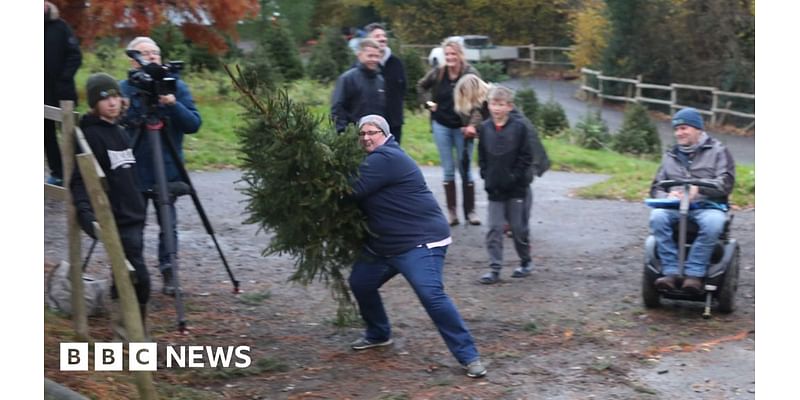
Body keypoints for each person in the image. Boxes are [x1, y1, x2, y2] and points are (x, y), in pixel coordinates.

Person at [346, 114, 487, 379]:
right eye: (361, 134)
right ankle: (378, 333)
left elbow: (352, 189)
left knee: (431, 295)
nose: (365, 137)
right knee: (361, 282)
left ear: (385, 134)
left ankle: (469, 356)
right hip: (385, 244)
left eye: (371, 132)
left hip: (420, 242)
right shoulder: (371, 159)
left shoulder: (387, 157)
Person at [70, 73, 151, 340]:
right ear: (95, 103)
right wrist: (86, 212)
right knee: (137, 277)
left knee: (127, 277)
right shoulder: (90, 136)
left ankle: (130, 334)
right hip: (116, 220)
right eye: (105, 99)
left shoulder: (121, 132)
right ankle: (130, 334)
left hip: (134, 216)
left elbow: (130, 175)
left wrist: (141, 198)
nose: (112, 103)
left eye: (116, 96)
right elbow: (80, 180)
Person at [120, 36, 202, 296]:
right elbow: (118, 126)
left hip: (166, 168)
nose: (152, 57)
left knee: (168, 224)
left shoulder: (176, 87)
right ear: (133, 60)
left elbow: (193, 124)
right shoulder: (124, 88)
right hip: (134, 168)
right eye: (144, 53)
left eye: (155, 52)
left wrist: (172, 104)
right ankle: (130, 273)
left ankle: (170, 272)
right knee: (133, 223)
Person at [650, 107, 736, 294]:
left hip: (708, 206)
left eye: (684, 128)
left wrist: (700, 189)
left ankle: (694, 274)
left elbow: (726, 182)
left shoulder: (719, 150)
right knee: (657, 217)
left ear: (698, 129)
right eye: (677, 129)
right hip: (675, 206)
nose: (679, 133)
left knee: (714, 223)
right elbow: (656, 187)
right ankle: (671, 272)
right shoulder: (670, 155)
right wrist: (668, 196)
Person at [416, 40, 480, 226]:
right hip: (441, 125)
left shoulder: (470, 74)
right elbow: (421, 86)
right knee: (448, 169)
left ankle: (471, 211)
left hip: (463, 127)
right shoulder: (438, 72)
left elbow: (479, 103)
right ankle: (452, 212)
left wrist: (473, 125)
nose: (451, 58)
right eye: (448, 54)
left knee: (465, 168)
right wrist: (428, 104)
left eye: (454, 54)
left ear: (461, 55)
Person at [476, 86, 535, 284]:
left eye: (501, 105)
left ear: (509, 107)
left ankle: (525, 261)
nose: (497, 109)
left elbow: (527, 157)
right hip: (494, 189)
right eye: (493, 104)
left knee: (518, 229)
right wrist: (486, 175)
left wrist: (514, 177)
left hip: (517, 188)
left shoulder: (520, 128)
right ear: (488, 105)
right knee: (494, 228)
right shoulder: (484, 128)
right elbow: (482, 157)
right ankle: (494, 268)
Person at [44, 1, 82, 186]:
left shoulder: (61, 27)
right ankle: (57, 172)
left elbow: (75, 55)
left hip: (63, 92)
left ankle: (79, 173)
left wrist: (64, 78)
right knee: (46, 135)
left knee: (70, 133)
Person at [331, 38, 386, 133]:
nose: (374, 59)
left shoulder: (380, 80)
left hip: (376, 136)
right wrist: (343, 132)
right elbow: (338, 108)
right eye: (370, 56)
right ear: (360, 55)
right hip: (354, 135)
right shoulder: (347, 79)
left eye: (377, 56)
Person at [364, 23, 407, 144]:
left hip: (394, 123)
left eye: (384, 35)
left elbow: (403, 89)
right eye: (377, 36)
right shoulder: (362, 66)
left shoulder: (396, 62)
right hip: (370, 125)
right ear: (369, 40)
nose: (382, 38)